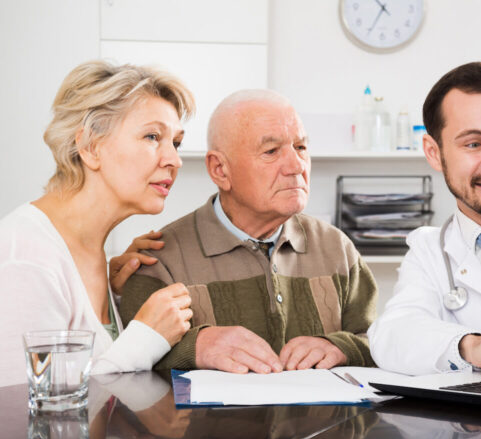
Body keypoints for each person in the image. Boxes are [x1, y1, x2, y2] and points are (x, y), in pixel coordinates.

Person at [120, 89, 378, 374]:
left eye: (301, 147)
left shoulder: (337, 248)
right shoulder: (157, 261)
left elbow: (381, 344)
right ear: (220, 170)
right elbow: (132, 366)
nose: (296, 166)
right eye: (271, 151)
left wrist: (343, 348)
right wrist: (195, 347)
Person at [0, 60, 195, 387]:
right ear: (90, 146)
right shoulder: (24, 259)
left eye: (175, 142)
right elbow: (24, 412)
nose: (174, 160)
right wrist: (146, 338)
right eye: (152, 136)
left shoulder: (95, 258)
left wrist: (121, 297)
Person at [368, 61, 481, 376]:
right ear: (434, 153)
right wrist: (473, 346)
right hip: (473, 424)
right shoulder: (430, 249)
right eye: (474, 144)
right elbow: (392, 336)